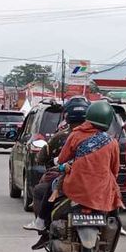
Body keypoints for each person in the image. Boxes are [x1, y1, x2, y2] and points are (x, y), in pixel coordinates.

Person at [30, 101, 122, 250]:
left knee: (48, 187)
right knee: (114, 191)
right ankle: (116, 223)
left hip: (74, 184)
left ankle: (41, 223)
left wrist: (61, 164)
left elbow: (60, 159)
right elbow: (114, 169)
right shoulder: (112, 142)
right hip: (100, 189)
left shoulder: (72, 135)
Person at [24, 97, 89, 232]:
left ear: (67, 116)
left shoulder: (65, 136)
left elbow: (51, 159)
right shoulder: (104, 138)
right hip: (96, 178)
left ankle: (41, 223)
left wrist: (58, 163)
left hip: (69, 176)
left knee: (42, 189)